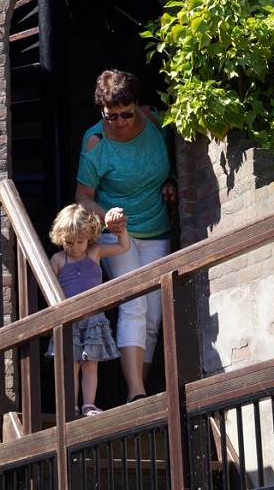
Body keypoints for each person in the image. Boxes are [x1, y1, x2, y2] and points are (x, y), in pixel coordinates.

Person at [75, 70, 177, 403]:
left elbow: (175, 158)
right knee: (134, 302)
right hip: (116, 233)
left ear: (137, 106)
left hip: (156, 229)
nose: (119, 121)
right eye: (111, 115)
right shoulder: (96, 142)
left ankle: (138, 396)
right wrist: (106, 216)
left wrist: (172, 180)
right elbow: (83, 197)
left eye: (126, 114)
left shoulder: (154, 120)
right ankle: (136, 393)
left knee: (153, 314)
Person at [47, 203, 130, 416]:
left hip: (93, 320)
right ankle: (71, 406)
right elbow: (48, 288)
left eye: (80, 241)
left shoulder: (95, 252)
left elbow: (123, 247)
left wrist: (120, 228)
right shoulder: (58, 260)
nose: (75, 247)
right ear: (60, 238)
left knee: (90, 365)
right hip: (70, 321)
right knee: (71, 365)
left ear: (89, 237)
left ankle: (88, 405)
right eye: (69, 242)